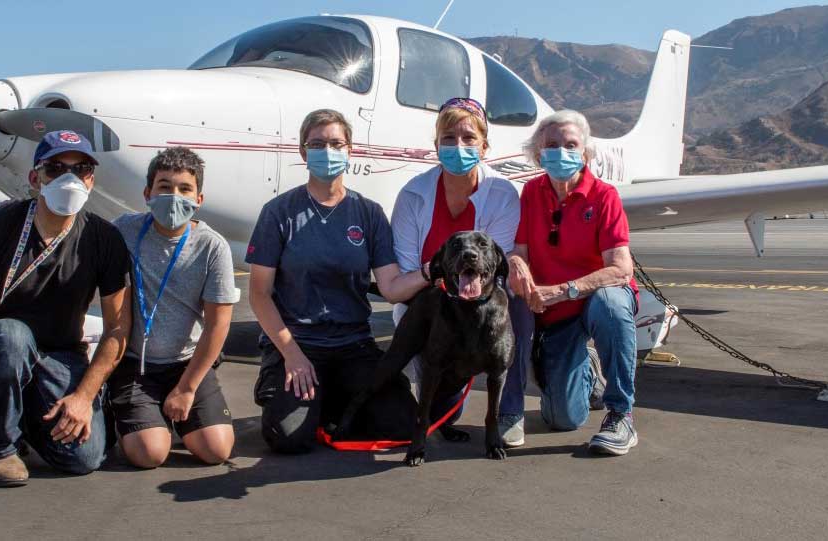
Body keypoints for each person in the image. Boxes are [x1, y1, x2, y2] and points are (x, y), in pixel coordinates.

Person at [0, 130, 132, 486]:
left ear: (92, 179)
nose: (69, 178)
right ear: (35, 178)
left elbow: (117, 326)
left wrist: (84, 397)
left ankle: (22, 420)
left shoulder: (103, 238)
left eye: (81, 168)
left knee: (84, 458)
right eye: (55, 168)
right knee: (12, 336)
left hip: (60, 354)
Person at [247, 109, 429, 453]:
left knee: (404, 424)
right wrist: (292, 354)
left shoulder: (369, 213)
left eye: (335, 143)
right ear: (303, 153)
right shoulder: (279, 212)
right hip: (298, 343)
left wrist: (430, 272)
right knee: (288, 438)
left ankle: (328, 400)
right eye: (317, 144)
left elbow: (390, 288)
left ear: (350, 150)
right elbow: (259, 294)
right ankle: (292, 394)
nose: (327, 151)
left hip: (352, 345)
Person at [390, 97, 533, 448]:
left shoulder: (502, 194)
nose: (458, 146)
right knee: (440, 414)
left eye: (469, 138)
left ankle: (509, 412)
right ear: (436, 145)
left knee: (515, 303)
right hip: (433, 307)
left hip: (479, 309)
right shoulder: (412, 196)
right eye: (449, 138)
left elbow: (494, 271)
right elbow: (408, 273)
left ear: (484, 147)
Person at [509, 109, 640, 455]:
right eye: (552, 145)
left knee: (610, 304)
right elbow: (519, 250)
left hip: (594, 299)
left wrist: (564, 290)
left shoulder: (604, 196)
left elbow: (621, 269)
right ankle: (591, 369)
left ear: (584, 152)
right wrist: (519, 266)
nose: (561, 151)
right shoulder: (530, 194)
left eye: (570, 144)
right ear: (539, 154)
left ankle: (620, 413)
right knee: (563, 418)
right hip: (557, 315)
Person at [108, 147, 238, 468]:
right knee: (149, 454)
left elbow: (217, 324)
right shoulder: (123, 231)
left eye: (184, 189)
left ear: (199, 199)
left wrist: (186, 389)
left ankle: (171, 413)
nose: (174, 196)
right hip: (136, 365)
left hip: (186, 365)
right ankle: (135, 418)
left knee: (216, 451)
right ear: (147, 193)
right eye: (164, 187)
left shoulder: (212, 246)